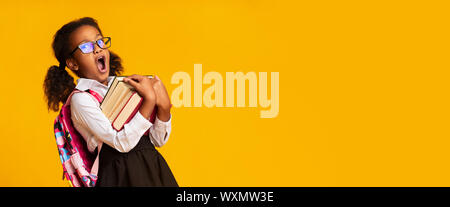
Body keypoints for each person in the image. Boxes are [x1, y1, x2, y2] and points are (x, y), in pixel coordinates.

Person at [43, 17, 177, 187]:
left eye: (99, 41)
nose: (97, 49)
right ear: (73, 63)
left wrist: (164, 109)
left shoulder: (124, 87)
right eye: (86, 46)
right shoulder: (81, 99)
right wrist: (149, 101)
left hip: (152, 167)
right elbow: (121, 143)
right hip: (120, 175)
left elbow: (157, 141)